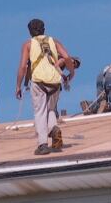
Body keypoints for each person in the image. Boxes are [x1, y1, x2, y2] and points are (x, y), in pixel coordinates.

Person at [15, 18, 75, 155]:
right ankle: (53, 128)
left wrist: (18, 86)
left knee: (40, 112)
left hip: (39, 81)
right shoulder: (54, 41)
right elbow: (66, 57)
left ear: (30, 32)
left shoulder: (28, 44)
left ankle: (42, 144)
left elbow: (23, 67)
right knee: (51, 109)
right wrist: (71, 72)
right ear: (44, 29)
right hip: (55, 80)